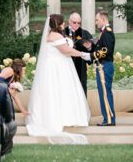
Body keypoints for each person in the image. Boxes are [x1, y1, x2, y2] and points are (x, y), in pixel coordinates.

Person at [26, 14, 92, 142]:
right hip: (57, 67)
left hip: (59, 65)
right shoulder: (55, 35)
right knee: (59, 90)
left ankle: (64, 116)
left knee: (60, 91)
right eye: (62, 22)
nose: (64, 25)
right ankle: (63, 117)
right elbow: (66, 51)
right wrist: (84, 54)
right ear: (59, 24)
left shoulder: (53, 34)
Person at [90, 11, 117, 126]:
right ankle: (107, 118)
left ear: (104, 19)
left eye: (97, 20)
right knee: (104, 93)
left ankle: (109, 119)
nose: (96, 22)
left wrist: (92, 55)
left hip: (104, 65)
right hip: (103, 65)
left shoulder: (107, 32)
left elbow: (106, 50)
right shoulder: (104, 32)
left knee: (105, 93)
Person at [63, 12, 93, 95]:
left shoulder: (85, 33)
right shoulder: (62, 33)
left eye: (79, 23)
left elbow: (92, 51)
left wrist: (89, 47)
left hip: (81, 66)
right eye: (74, 22)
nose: (77, 24)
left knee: (81, 88)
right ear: (69, 21)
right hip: (66, 65)